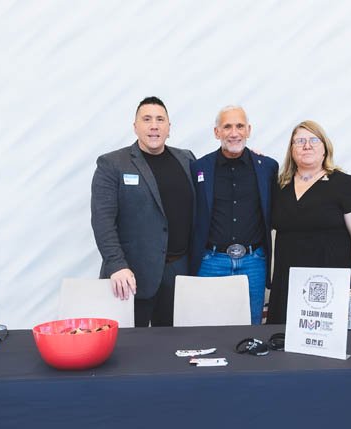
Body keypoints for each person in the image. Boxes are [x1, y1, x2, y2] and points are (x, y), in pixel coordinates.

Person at [91, 96, 195, 326]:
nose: (154, 126)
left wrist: (250, 155)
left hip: (179, 274)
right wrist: (116, 265)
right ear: (135, 126)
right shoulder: (112, 164)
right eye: (146, 119)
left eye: (160, 119)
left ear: (169, 127)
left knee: (174, 343)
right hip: (130, 276)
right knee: (129, 345)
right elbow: (103, 220)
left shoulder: (186, 158)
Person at [267, 120, 351, 324]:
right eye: (299, 141)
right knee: (282, 340)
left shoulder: (344, 184)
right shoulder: (280, 186)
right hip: (288, 284)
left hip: (330, 286)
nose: (307, 145)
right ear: (292, 149)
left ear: (325, 147)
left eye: (314, 140)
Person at [190, 106, 278, 324]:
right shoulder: (199, 167)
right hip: (211, 262)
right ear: (217, 132)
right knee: (205, 327)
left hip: (253, 263)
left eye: (240, 126)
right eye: (227, 126)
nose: (234, 133)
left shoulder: (267, 167)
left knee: (251, 327)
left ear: (248, 130)